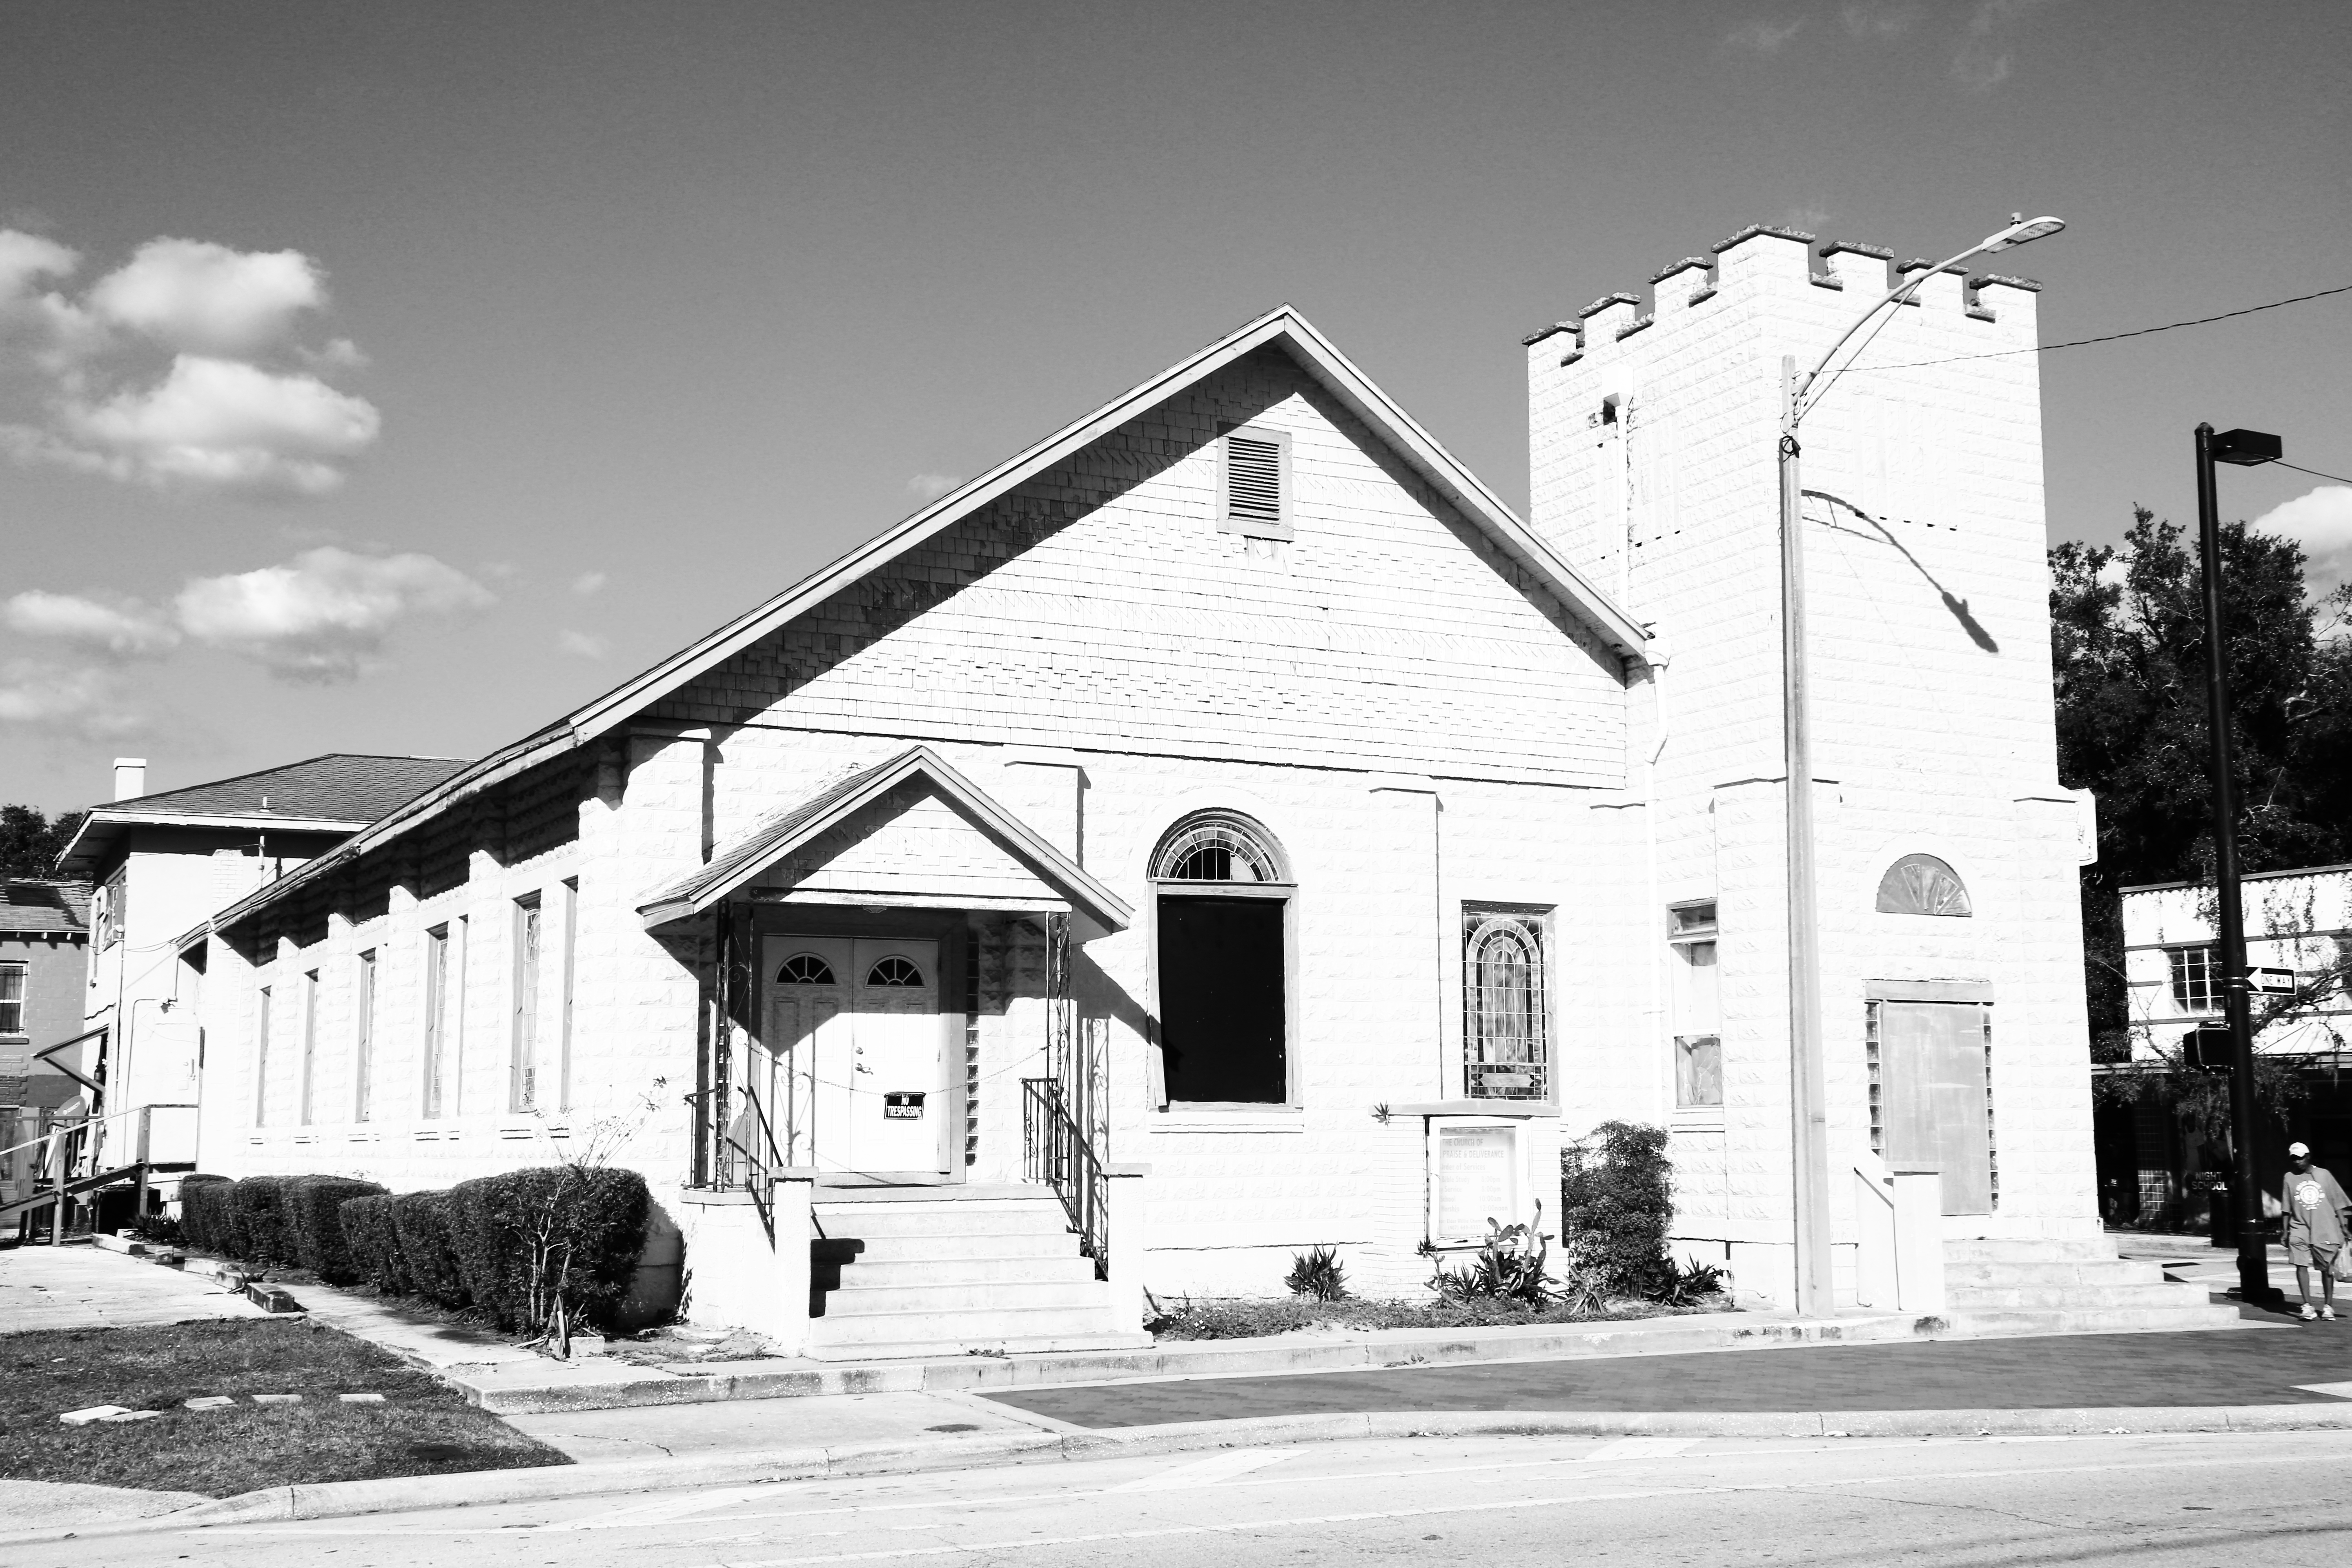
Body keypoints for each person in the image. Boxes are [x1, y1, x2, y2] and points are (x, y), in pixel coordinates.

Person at [2281, 1142, 2352, 1322]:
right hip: (2299, 1227)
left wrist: (2343, 1227)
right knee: (2300, 1265)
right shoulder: (2289, 1178)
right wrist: (2284, 1231)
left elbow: (2338, 1202)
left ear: (2308, 1157)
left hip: (2324, 1227)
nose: (2297, 1162)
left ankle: (2328, 1306)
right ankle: (2307, 1306)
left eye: (2300, 1158)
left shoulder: (2324, 1175)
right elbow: (2286, 1207)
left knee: (2327, 1268)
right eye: (2294, 1159)